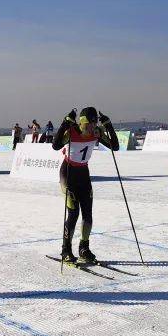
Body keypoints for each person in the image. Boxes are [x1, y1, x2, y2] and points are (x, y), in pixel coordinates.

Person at [53, 107, 120, 263]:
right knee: (73, 213)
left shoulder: (96, 133)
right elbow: (55, 146)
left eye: (94, 123)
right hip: (68, 174)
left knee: (88, 215)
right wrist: (64, 124)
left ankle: (84, 248)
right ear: (82, 122)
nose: (91, 127)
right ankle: (66, 249)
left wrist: (109, 126)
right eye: (89, 124)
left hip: (83, 175)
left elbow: (114, 146)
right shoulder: (72, 131)